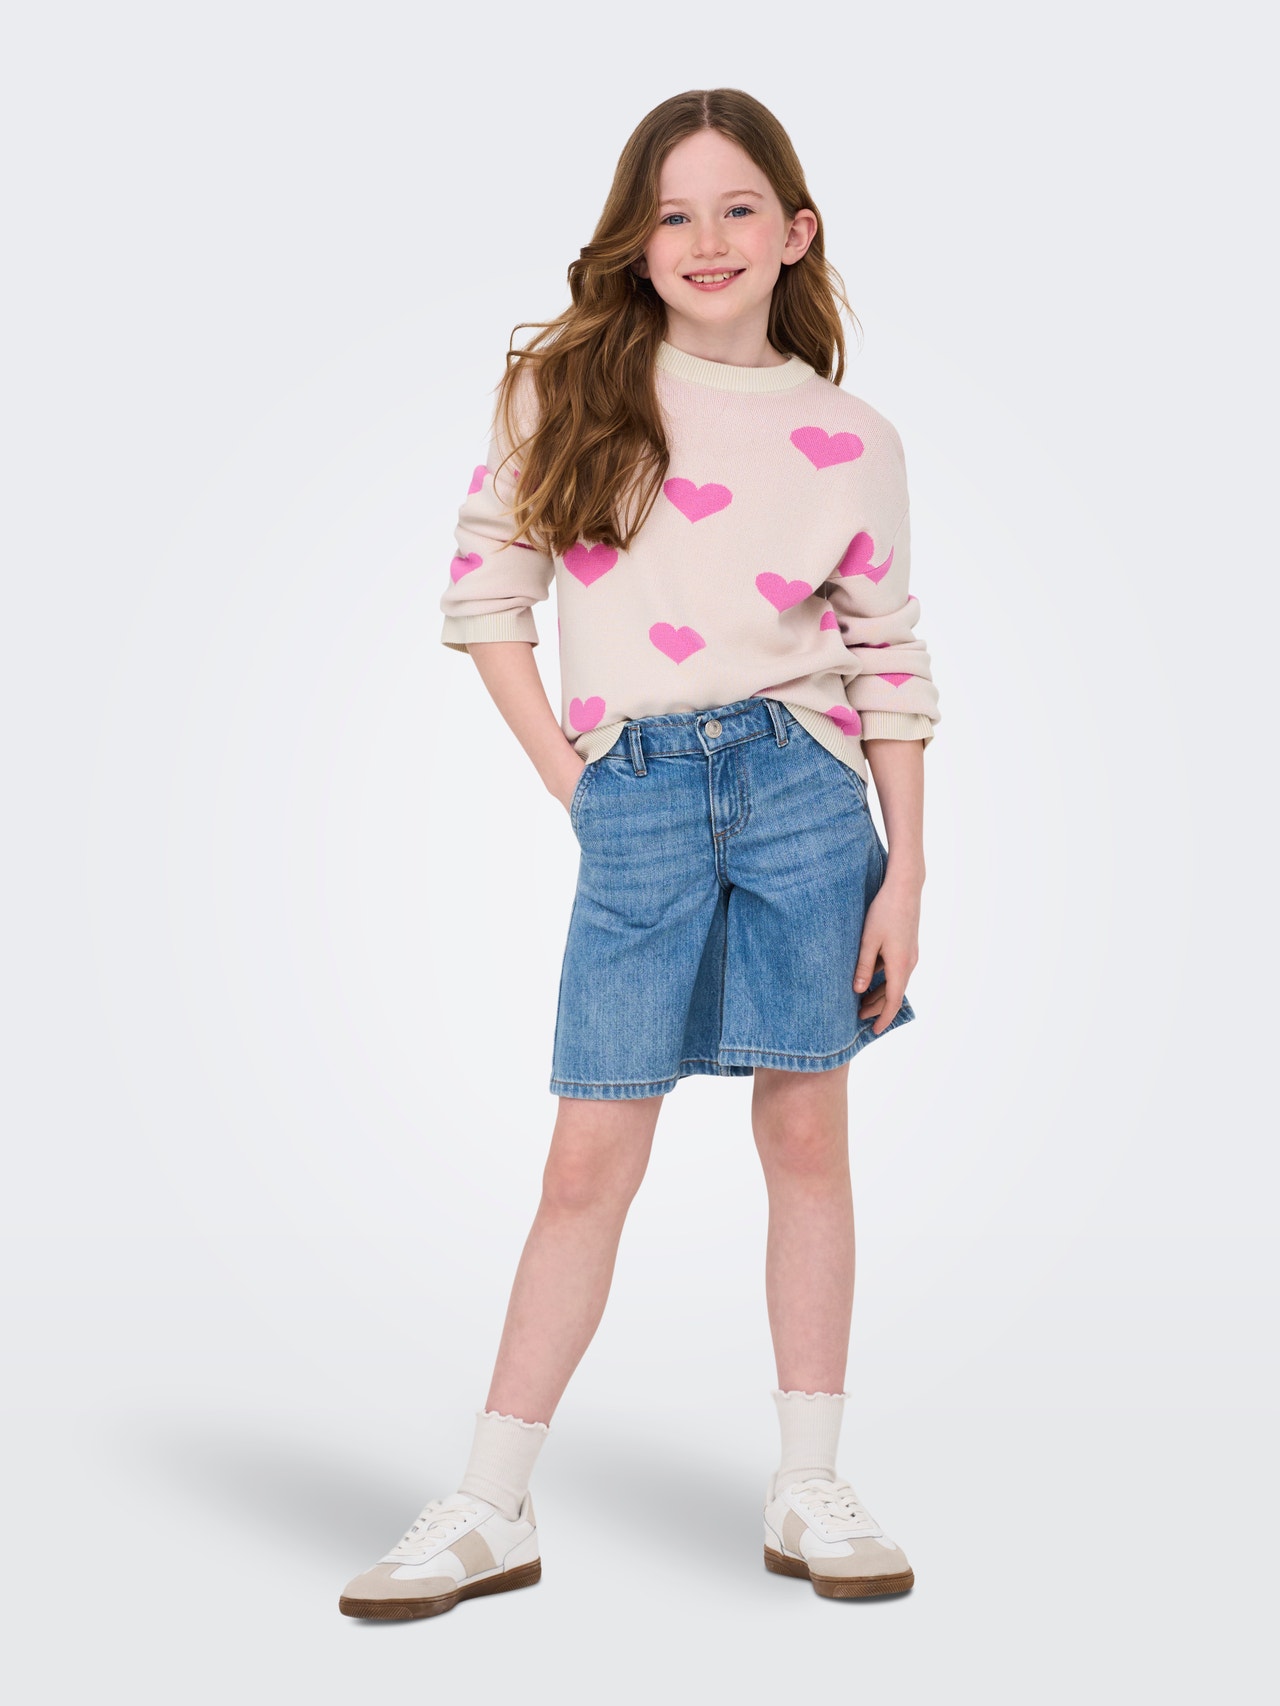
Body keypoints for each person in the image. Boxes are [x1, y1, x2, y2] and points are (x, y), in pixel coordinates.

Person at [339, 86, 940, 1622]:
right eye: (673, 212)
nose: (706, 238)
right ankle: (491, 1500)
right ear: (635, 237)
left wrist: (908, 869)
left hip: (807, 792)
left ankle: (809, 1480)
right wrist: (579, 783)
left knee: (807, 1136)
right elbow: (487, 595)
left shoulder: (852, 437)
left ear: (796, 231)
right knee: (587, 1154)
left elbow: (887, 657)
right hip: (642, 792)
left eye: (738, 207)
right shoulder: (567, 389)